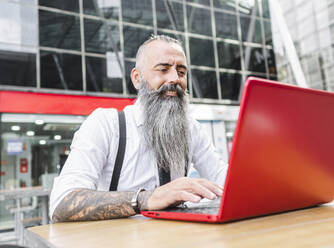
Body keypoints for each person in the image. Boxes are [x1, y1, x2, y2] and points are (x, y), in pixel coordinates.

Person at [50, 35, 228, 222]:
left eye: (181, 72)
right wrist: (146, 198)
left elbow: (222, 179)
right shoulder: (107, 124)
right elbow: (62, 203)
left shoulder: (192, 129)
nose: (175, 79)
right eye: (163, 69)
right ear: (137, 78)